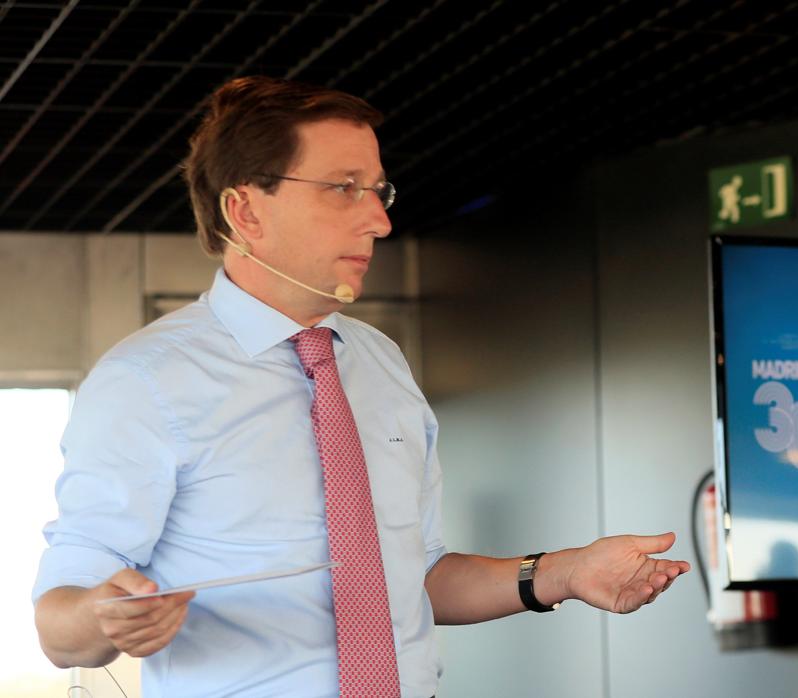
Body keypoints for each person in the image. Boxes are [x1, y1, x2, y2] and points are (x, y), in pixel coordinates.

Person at [32, 76, 689, 698]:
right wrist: (102, 616)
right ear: (245, 209)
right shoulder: (144, 381)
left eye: (379, 190)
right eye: (344, 188)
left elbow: (414, 579)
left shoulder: (378, 363)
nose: (378, 220)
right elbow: (61, 625)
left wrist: (567, 573)